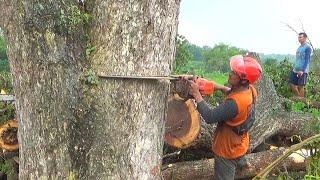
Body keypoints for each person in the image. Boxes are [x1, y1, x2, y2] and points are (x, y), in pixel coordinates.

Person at [186, 55, 262, 180]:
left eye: (234, 73)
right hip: (241, 141)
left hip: (227, 150)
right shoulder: (250, 90)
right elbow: (232, 92)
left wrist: (196, 94)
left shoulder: (234, 104)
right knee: (239, 152)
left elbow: (210, 117)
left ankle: (236, 165)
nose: (230, 74)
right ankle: (242, 164)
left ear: (243, 79)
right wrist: (219, 87)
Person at [289, 32, 312, 97]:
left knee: (300, 86)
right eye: (298, 37)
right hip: (295, 70)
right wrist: (294, 67)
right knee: (291, 83)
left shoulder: (307, 48)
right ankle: (299, 98)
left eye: (300, 37)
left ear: (305, 38)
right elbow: (298, 59)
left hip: (303, 71)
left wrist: (302, 70)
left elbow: (307, 60)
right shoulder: (299, 48)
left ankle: (301, 101)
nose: (299, 39)